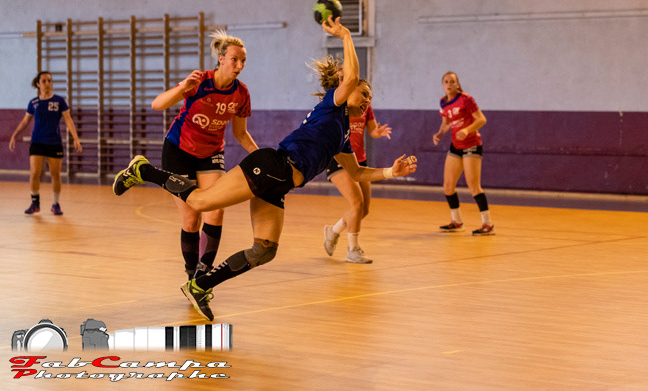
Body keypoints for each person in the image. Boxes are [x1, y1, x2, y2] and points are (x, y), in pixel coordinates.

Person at [112, 16, 417, 321]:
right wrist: (347, 36)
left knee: (265, 249)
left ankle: (200, 285)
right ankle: (143, 170)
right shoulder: (332, 105)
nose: (367, 101)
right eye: (364, 94)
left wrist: (391, 172)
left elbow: (358, 172)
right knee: (200, 204)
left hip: (279, 184)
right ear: (344, 89)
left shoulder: (343, 134)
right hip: (271, 167)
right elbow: (350, 78)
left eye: (370, 98)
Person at [152, 30, 258, 280]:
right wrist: (182, 88)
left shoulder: (241, 93)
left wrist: (261, 156)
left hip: (211, 153)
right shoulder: (199, 81)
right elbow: (157, 104)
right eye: (234, 59)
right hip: (179, 150)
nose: (239, 66)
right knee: (191, 219)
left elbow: (241, 133)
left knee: (216, 211)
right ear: (221, 59)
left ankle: (203, 275)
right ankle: (191, 274)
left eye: (243, 61)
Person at [318, 61, 392, 264]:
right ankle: (353, 250)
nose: (367, 99)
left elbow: (372, 130)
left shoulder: (364, 105)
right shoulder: (336, 104)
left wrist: (378, 132)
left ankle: (333, 231)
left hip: (359, 159)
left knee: (363, 209)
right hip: (339, 159)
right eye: (364, 94)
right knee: (357, 203)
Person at [9, 71, 82, 215]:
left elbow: (68, 119)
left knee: (55, 174)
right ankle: (35, 203)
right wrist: (14, 135)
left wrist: (75, 138)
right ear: (38, 84)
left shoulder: (59, 101)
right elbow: (25, 121)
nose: (47, 83)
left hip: (54, 142)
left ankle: (56, 204)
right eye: (44, 81)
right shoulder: (34, 103)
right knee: (34, 173)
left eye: (49, 81)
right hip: (37, 142)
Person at [432, 71, 494, 236]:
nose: (449, 84)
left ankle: (488, 224)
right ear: (442, 85)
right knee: (448, 186)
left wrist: (467, 130)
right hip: (456, 146)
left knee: (473, 186)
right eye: (446, 81)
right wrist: (439, 133)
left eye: (452, 81)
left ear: (457, 84)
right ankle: (457, 222)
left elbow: (481, 119)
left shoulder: (466, 99)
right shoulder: (443, 102)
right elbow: (446, 123)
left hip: (471, 144)